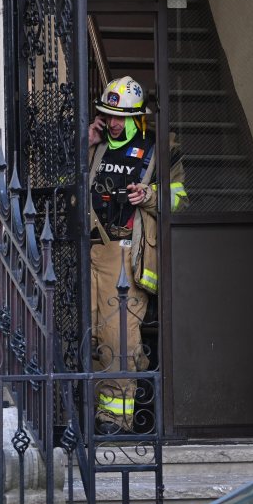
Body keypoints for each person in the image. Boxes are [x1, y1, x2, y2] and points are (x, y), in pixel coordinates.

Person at [87, 75, 186, 432]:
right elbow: (64, 188)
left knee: (119, 335)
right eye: (108, 115)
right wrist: (86, 143)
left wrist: (151, 196)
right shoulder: (96, 145)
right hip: (92, 250)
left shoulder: (159, 149)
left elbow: (182, 200)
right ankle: (102, 409)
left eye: (120, 117)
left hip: (128, 253)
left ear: (137, 118)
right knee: (96, 335)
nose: (113, 123)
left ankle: (118, 419)